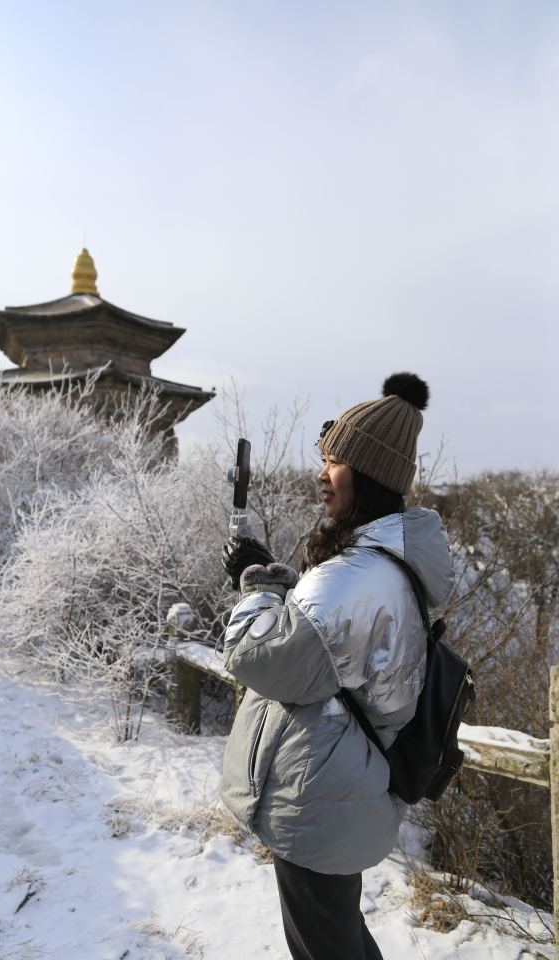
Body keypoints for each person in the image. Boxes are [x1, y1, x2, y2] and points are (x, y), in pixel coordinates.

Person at [219, 372, 454, 960]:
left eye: (335, 462)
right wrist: (280, 585)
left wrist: (252, 590)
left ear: (368, 474)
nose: (322, 474)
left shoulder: (353, 575)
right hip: (340, 784)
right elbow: (333, 644)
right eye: (323, 459)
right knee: (335, 938)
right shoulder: (380, 567)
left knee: (326, 947)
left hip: (319, 796)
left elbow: (260, 658)